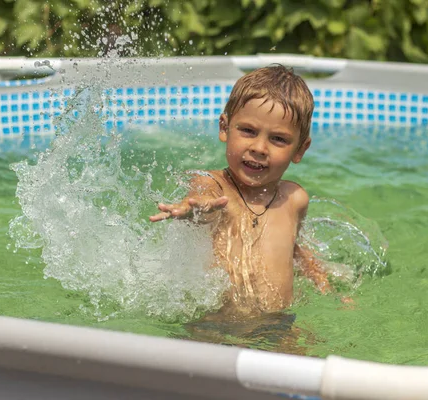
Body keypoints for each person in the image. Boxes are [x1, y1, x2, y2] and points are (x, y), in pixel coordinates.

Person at [150, 65, 350, 317]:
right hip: (216, 321)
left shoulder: (294, 199)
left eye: (278, 139)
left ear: (300, 149)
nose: (259, 147)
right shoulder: (214, 185)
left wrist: (323, 282)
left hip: (279, 323)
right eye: (248, 131)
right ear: (224, 128)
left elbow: (294, 248)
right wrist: (196, 207)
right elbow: (202, 198)